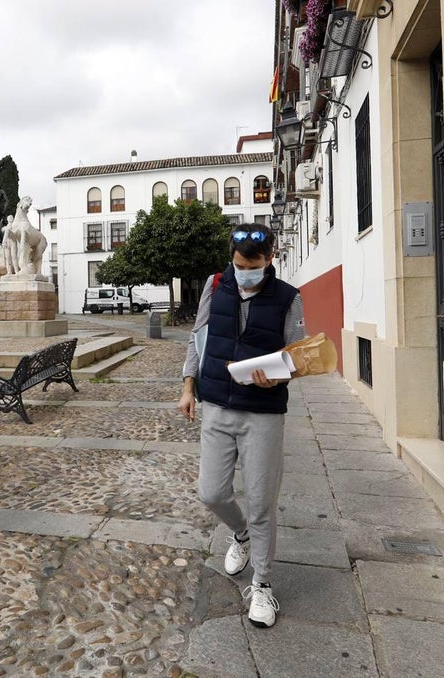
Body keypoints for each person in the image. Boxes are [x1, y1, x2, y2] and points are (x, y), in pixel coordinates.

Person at [178, 221, 304, 628]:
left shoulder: (288, 297)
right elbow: (197, 337)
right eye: (238, 266)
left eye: (252, 266)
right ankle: (241, 533)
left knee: (261, 502)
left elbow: (296, 357)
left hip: (263, 413)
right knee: (212, 492)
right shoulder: (216, 286)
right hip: (217, 405)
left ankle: (262, 585)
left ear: (270, 258)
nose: (244, 273)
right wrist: (188, 386)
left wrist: (278, 377)